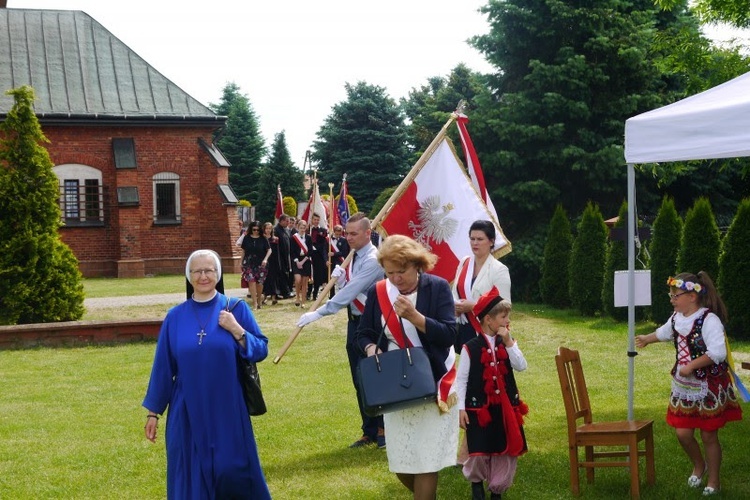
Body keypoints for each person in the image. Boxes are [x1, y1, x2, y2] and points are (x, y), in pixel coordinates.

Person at [142, 249, 271, 499]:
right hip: (186, 408)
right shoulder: (175, 317)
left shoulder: (236, 309)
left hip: (227, 406)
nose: (203, 276)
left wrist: (237, 330)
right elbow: (163, 367)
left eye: (209, 270)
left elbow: (261, 349)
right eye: (197, 271)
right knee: (190, 469)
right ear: (189, 276)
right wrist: (153, 412)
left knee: (231, 468)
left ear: (218, 274)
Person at [355, 234, 458, 500]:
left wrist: (416, 317)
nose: (396, 279)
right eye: (390, 273)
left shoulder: (437, 288)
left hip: (431, 381)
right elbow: (363, 333)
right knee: (401, 461)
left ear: (417, 265)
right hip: (395, 387)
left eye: (402, 272)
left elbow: (449, 334)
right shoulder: (379, 292)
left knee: (424, 460)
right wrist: (370, 348)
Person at [635, 272, 743, 496]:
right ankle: (699, 464)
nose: (672, 299)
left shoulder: (709, 320)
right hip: (685, 385)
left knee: (708, 435)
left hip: (708, 385)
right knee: (683, 433)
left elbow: (718, 353)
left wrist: (693, 364)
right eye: (671, 295)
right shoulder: (676, 318)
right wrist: (647, 338)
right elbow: (665, 333)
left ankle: (714, 480)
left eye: (676, 295)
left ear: (692, 296)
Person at [296, 212, 385, 448]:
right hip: (354, 323)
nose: (348, 237)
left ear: (368, 233)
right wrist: (341, 277)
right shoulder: (353, 255)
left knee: (375, 377)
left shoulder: (373, 259)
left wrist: (319, 312)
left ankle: (383, 429)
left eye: (354, 233)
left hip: (372, 325)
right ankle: (368, 430)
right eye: (347, 233)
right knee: (359, 378)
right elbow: (350, 288)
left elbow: (352, 292)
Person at [455, 286, 528, 500]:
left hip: (505, 407)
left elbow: (521, 366)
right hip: (479, 408)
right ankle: (476, 484)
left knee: (505, 451)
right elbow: (462, 379)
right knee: (479, 449)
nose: (507, 321)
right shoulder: (470, 347)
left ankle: (497, 489)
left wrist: (509, 342)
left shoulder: (507, 342)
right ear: (488, 319)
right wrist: (461, 409)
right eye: (503, 317)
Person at [453, 220, 512, 353]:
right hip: (464, 329)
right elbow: (454, 292)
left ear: (491, 242)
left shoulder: (499, 269)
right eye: (472, 238)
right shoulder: (464, 262)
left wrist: (473, 307)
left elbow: (505, 307)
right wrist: (455, 307)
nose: (475, 243)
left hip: (487, 331)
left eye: (480, 239)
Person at [239, 220, 271, 310]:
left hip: (261, 264)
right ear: (251, 229)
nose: (256, 231)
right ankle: (255, 303)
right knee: (251, 282)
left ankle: (259, 299)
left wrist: (265, 259)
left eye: (257, 230)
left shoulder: (263, 238)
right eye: (254, 229)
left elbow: (269, 250)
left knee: (259, 283)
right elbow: (243, 251)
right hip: (249, 263)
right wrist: (241, 262)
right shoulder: (246, 238)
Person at [291, 219, 313, 308]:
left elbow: (310, 251)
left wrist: (303, 261)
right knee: (298, 280)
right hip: (296, 260)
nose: (302, 229)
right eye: (301, 228)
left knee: (304, 282)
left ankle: (303, 301)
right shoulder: (293, 238)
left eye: (304, 228)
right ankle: (297, 297)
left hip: (306, 260)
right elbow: (292, 251)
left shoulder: (308, 238)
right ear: (297, 227)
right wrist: (297, 262)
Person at [309, 213, 329, 301]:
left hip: (319, 256)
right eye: (314, 220)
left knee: (317, 275)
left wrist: (316, 247)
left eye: (317, 220)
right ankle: (308, 293)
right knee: (309, 274)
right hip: (309, 255)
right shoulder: (307, 230)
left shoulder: (323, 230)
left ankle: (315, 294)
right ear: (312, 220)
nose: (316, 221)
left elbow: (324, 243)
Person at [273, 214, 292, 299]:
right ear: (281, 221)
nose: (288, 223)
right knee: (282, 274)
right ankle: (285, 292)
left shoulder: (286, 230)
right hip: (279, 256)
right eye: (287, 221)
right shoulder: (276, 230)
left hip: (286, 256)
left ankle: (285, 291)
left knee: (286, 274)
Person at [262, 222, 280, 305]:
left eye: (270, 228)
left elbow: (277, 252)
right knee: (265, 279)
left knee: (273, 279)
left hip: (273, 261)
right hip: (264, 261)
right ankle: (265, 296)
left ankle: (273, 296)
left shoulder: (275, 239)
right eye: (267, 228)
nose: (268, 230)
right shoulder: (262, 238)